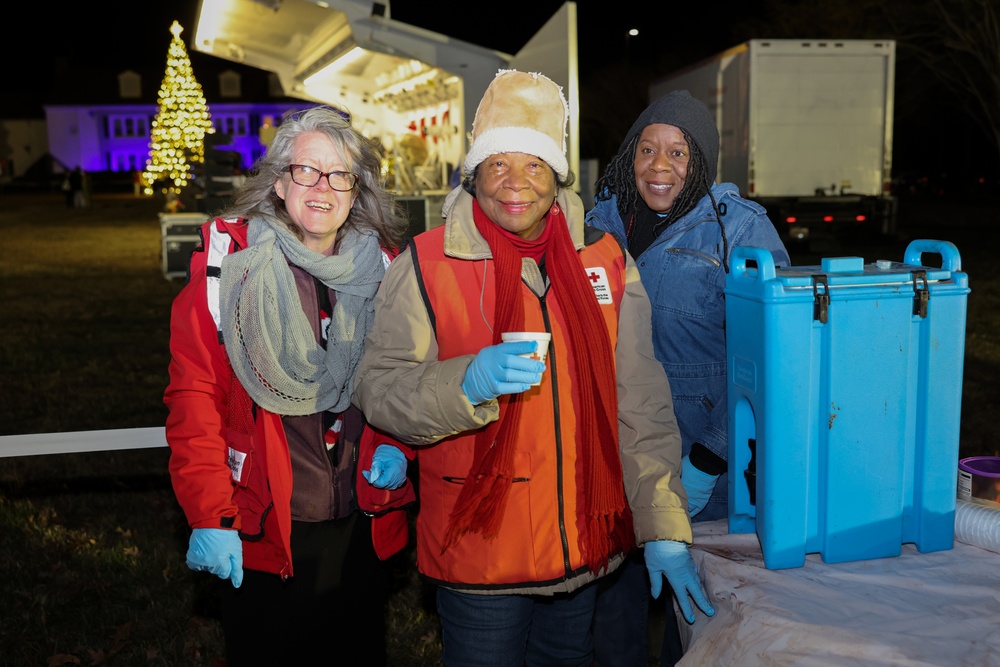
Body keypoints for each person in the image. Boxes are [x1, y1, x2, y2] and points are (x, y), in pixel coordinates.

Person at [352, 70, 714, 667]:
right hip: (479, 552)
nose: (515, 186)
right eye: (498, 166)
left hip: (581, 550)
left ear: (557, 177)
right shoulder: (428, 262)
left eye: (534, 166)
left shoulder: (604, 258)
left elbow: (641, 404)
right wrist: (464, 382)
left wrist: (663, 523)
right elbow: (381, 389)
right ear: (474, 174)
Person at [163, 105, 414, 666]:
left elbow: (402, 379)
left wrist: (399, 446)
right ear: (279, 183)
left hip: (359, 526)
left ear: (357, 190)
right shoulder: (229, 269)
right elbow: (193, 400)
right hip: (265, 528)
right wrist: (209, 515)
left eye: (339, 175)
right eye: (306, 171)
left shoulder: (385, 269)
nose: (322, 187)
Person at [587, 89, 791, 666]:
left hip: (703, 473)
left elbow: (771, 351)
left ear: (700, 161)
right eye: (647, 149)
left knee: (701, 623)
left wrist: (710, 459)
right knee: (615, 624)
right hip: (616, 462)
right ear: (629, 155)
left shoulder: (740, 231)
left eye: (678, 153)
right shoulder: (597, 225)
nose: (660, 166)